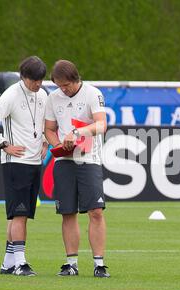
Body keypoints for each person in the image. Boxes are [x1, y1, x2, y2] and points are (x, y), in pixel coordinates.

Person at [0, 56, 49, 276]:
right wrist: (3, 144)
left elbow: (45, 123)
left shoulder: (43, 94)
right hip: (15, 162)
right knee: (19, 214)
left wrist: (46, 142)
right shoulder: (11, 94)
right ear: (23, 77)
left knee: (21, 214)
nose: (37, 84)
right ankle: (21, 263)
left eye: (40, 80)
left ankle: (8, 263)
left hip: (34, 161)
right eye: (34, 80)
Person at [44, 59, 110, 278]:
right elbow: (50, 129)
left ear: (76, 79)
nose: (63, 89)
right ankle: (71, 263)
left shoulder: (93, 93)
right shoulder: (53, 98)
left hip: (89, 159)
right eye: (59, 85)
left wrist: (78, 133)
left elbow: (101, 124)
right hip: (64, 161)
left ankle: (99, 264)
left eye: (66, 85)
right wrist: (57, 145)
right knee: (67, 212)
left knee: (96, 211)